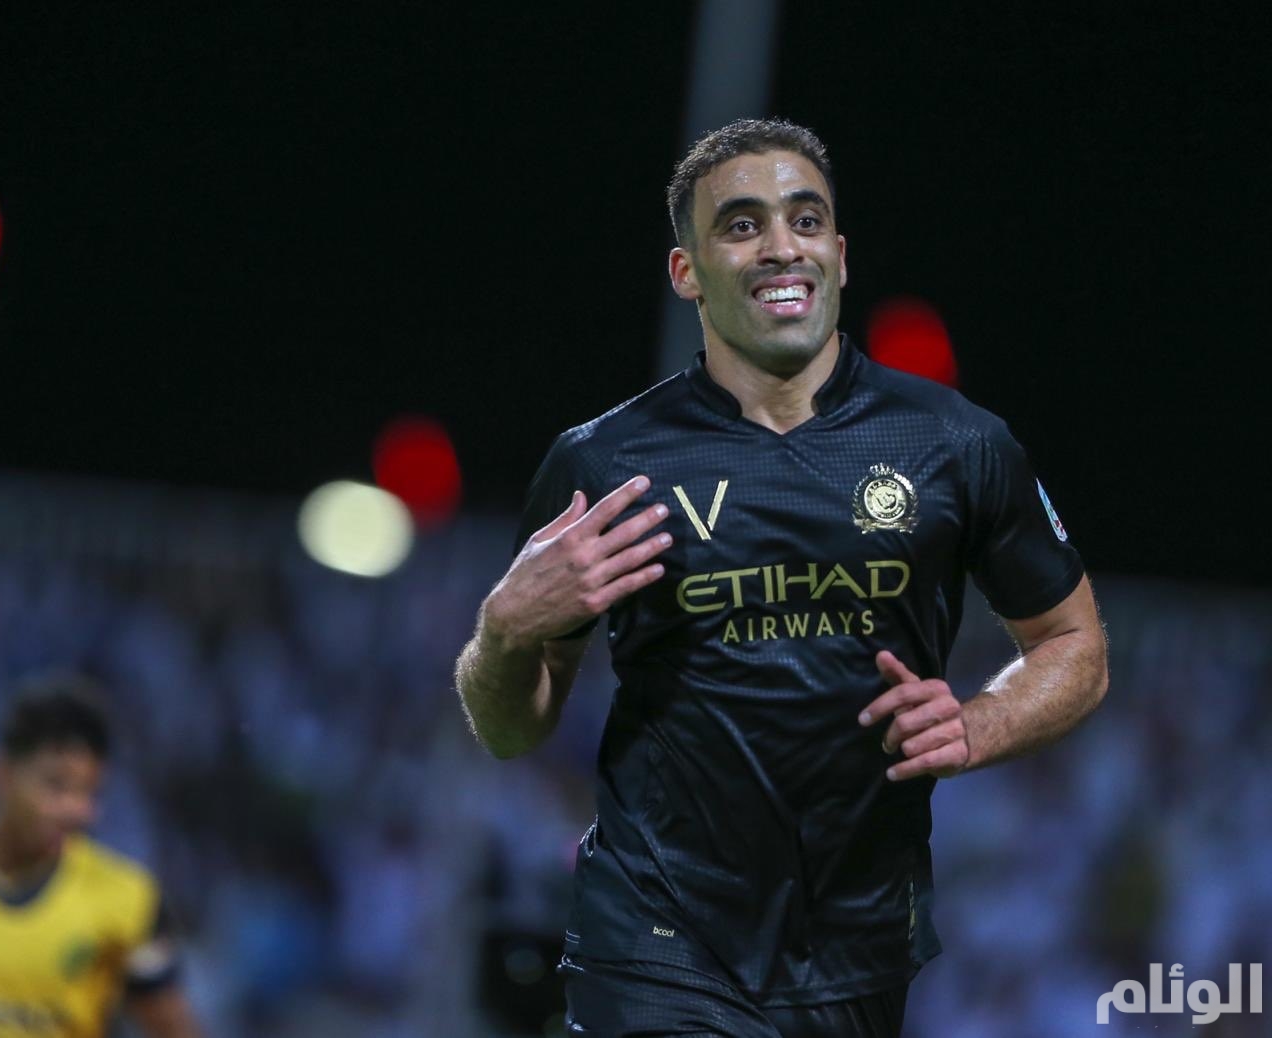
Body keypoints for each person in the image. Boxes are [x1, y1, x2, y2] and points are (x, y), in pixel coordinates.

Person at [455, 118, 1108, 1037]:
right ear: (687, 271)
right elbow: (511, 728)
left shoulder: (957, 445)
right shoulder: (604, 464)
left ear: (838, 255)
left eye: (805, 220)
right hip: (654, 936)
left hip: (858, 945)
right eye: (741, 225)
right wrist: (503, 631)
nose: (781, 246)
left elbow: (1075, 645)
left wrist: (976, 723)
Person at [0, 675, 204, 1038]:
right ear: (4, 774)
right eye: (56, 785)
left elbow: (173, 1027)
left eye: (89, 792)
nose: (76, 810)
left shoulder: (127, 899)